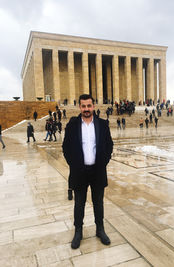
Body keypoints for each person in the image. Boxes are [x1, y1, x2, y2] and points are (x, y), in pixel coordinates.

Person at [62, 94, 113, 249]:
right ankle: (78, 232)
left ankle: (100, 229)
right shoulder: (72, 125)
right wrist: (74, 165)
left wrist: (103, 162)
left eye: (89, 106)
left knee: (98, 203)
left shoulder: (103, 124)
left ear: (93, 106)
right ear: (80, 107)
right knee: (79, 203)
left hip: (97, 170)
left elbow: (109, 145)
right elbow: (66, 148)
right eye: (83, 106)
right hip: (79, 171)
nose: (86, 109)